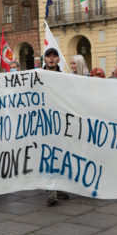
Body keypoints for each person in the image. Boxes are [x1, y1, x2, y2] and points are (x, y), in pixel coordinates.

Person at [40, 49, 70, 205]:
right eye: (48, 56)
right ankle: (51, 191)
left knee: (60, 155)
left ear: (58, 60)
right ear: (44, 59)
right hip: (43, 122)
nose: (51, 59)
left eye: (54, 56)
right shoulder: (37, 75)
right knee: (47, 155)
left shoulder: (64, 77)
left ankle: (59, 187)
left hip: (60, 121)